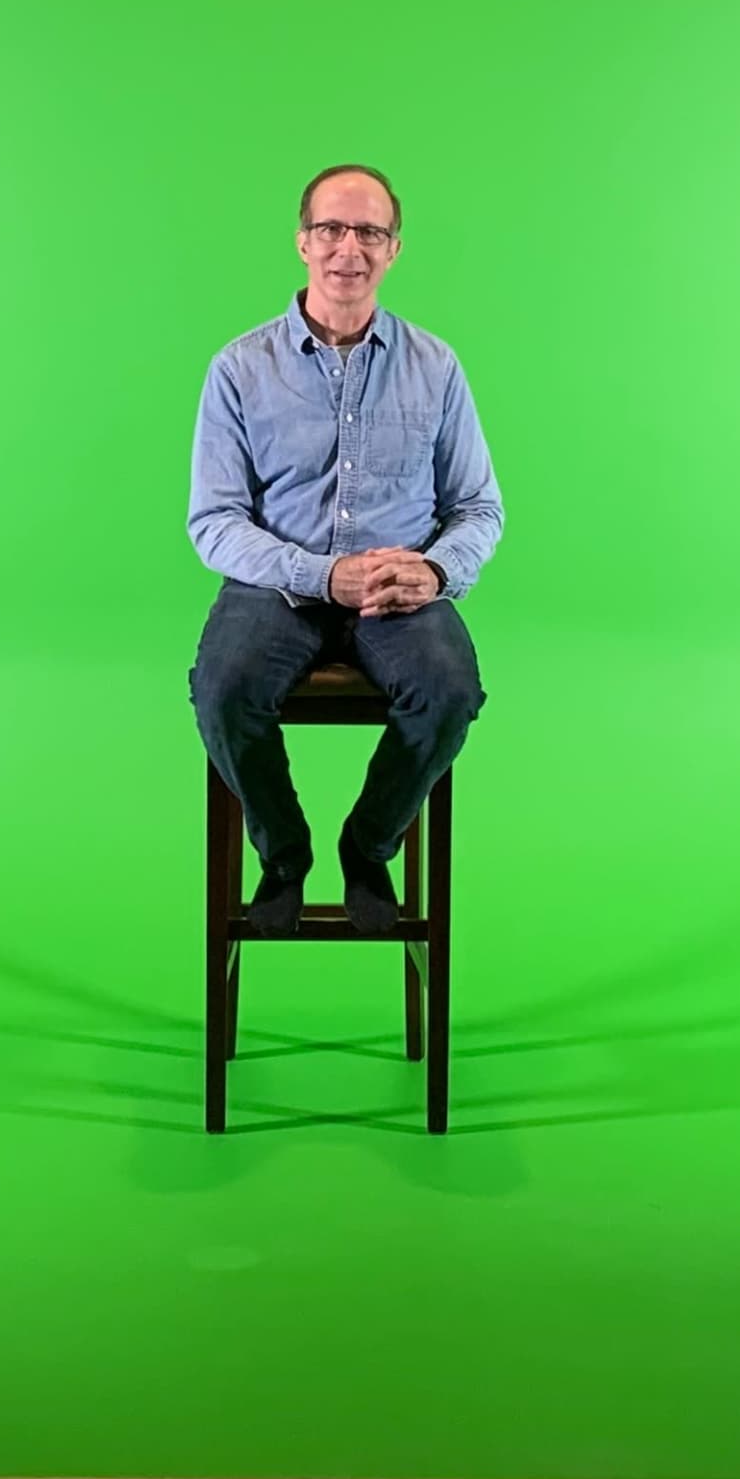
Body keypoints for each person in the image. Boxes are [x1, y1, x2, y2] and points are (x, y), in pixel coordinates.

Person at [185, 163, 504, 935]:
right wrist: (322, 573)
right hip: (278, 588)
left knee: (450, 690)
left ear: (394, 250)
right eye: (331, 228)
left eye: (369, 231)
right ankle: (284, 858)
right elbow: (214, 521)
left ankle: (368, 849)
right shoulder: (239, 368)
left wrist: (432, 569)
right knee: (222, 690)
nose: (348, 248)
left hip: (398, 595)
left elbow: (479, 508)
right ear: (302, 242)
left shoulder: (436, 366)